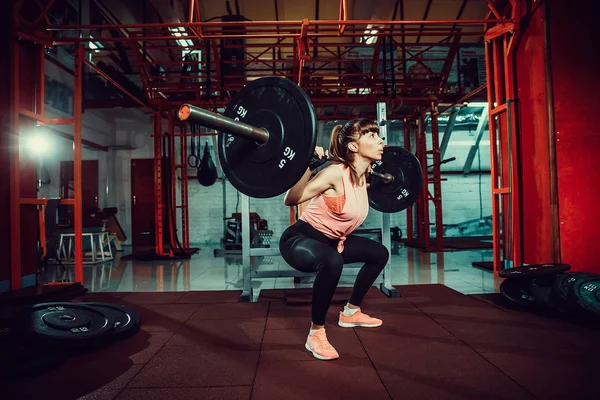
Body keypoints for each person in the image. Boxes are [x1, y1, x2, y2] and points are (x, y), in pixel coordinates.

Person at [279, 118, 389, 361]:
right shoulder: (334, 174)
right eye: (372, 136)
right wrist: (307, 167)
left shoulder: (363, 175)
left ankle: (351, 312)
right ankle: (315, 333)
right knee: (332, 262)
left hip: (332, 241)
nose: (381, 141)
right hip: (300, 239)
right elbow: (290, 199)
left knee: (379, 254)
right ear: (353, 147)